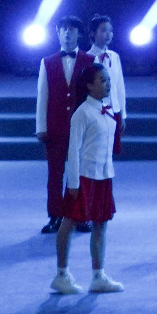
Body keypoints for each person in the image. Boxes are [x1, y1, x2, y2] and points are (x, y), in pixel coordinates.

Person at [55, 62, 124, 295]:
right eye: (102, 80)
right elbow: (73, 150)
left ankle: (98, 275)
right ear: (89, 85)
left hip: (104, 175)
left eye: (108, 79)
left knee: (101, 223)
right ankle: (61, 274)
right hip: (84, 177)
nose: (108, 84)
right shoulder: (82, 113)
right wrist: (73, 183)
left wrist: (108, 172)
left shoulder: (107, 109)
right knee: (69, 223)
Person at [33, 16, 89, 235]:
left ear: (79, 33)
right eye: (63, 29)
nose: (67, 33)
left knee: (80, 172)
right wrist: (41, 126)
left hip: (81, 126)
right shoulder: (47, 62)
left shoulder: (89, 60)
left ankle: (79, 215)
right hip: (56, 125)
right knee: (54, 173)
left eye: (72, 29)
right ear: (57, 33)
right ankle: (55, 215)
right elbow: (42, 96)